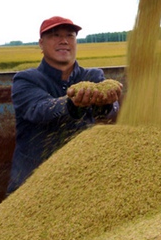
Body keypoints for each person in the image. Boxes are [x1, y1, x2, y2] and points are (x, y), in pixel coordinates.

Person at [7, 16, 122, 193]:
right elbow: (39, 110)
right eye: (55, 35)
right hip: (32, 185)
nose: (64, 41)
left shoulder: (93, 76)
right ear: (41, 44)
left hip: (81, 182)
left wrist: (106, 103)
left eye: (70, 35)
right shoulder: (26, 79)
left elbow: (109, 112)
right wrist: (71, 104)